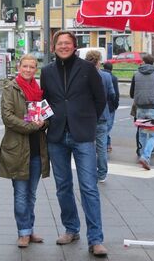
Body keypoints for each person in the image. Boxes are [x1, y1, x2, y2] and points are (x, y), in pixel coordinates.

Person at [40, 30, 108, 257]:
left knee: (89, 187)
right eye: (59, 43)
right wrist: (50, 121)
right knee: (63, 187)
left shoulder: (88, 69)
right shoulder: (47, 71)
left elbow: (101, 99)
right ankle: (71, 229)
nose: (63, 46)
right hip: (57, 136)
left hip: (82, 135)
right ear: (53, 47)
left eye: (67, 43)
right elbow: (43, 101)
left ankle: (96, 239)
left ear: (74, 46)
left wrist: (87, 121)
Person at [0, 54, 50, 248]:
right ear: (19, 67)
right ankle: (23, 232)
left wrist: (44, 122)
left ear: (35, 69)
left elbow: (46, 114)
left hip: (37, 149)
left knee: (31, 194)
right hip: (18, 149)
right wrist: (31, 127)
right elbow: (7, 117)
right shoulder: (11, 88)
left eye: (32, 67)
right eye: (25, 66)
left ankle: (29, 228)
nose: (28, 70)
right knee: (20, 193)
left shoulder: (38, 90)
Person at [130, 54, 154, 170]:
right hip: (153, 108)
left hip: (140, 107)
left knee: (141, 134)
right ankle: (146, 157)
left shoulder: (136, 74)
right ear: (152, 62)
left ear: (143, 62)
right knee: (153, 135)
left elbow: (131, 93)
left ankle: (142, 155)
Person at [85, 50, 115, 183]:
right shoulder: (106, 76)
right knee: (102, 146)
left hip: (86, 116)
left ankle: (89, 172)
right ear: (98, 62)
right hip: (102, 115)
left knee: (87, 146)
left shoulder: (82, 75)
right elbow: (112, 95)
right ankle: (102, 173)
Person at [102, 62, 120, 152]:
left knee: (103, 126)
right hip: (110, 106)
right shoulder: (113, 78)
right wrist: (116, 104)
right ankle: (105, 144)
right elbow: (115, 93)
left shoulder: (99, 75)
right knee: (108, 126)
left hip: (101, 105)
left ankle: (108, 143)